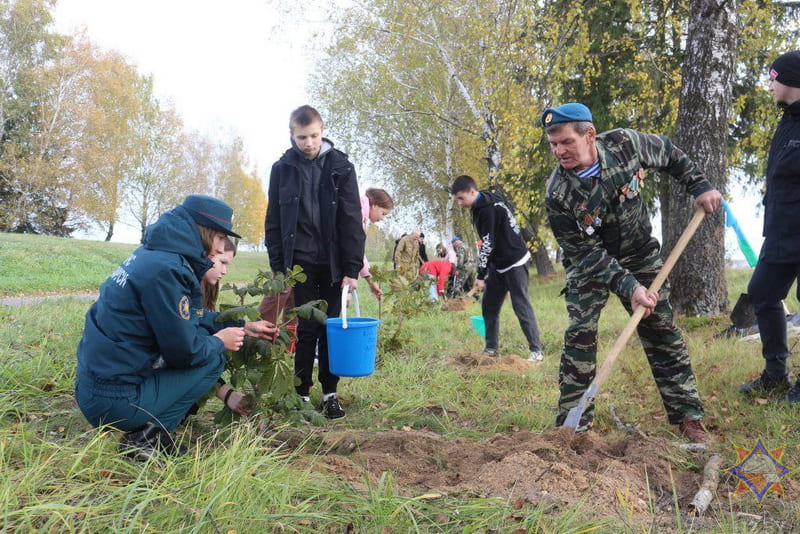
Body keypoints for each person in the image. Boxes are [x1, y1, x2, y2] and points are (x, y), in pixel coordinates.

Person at [542, 102, 722, 442]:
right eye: (553, 144)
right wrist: (629, 287)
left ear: (590, 134)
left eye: (566, 142)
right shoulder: (559, 194)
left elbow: (668, 153)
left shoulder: (626, 145)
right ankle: (572, 427)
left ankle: (689, 418)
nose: (559, 151)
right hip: (591, 264)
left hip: (640, 254)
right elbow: (583, 252)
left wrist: (699, 186)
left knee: (662, 330)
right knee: (579, 336)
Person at [75, 195, 277, 460]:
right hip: (113, 401)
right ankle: (146, 440)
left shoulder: (153, 255)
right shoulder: (169, 271)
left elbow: (183, 316)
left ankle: (146, 432)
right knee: (212, 357)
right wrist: (220, 341)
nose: (220, 248)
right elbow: (185, 352)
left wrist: (241, 324)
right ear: (208, 233)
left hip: (93, 387)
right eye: (220, 239)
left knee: (206, 341)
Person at [264, 105, 365, 420]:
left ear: (322, 133)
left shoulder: (341, 167)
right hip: (300, 264)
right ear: (291, 134)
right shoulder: (282, 169)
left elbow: (351, 221)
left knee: (331, 328)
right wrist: (279, 267)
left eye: (313, 136)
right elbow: (274, 222)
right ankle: (302, 395)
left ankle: (330, 394)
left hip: (334, 265)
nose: (308, 143)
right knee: (306, 328)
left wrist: (351, 269)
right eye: (301, 137)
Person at [739, 51, 800, 403]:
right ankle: (775, 373)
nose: (770, 84)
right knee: (762, 292)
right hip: (780, 232)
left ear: (790, 79)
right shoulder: (788, 120)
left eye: (773, 77)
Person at [450, 175, 544, 363]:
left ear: (472, 191)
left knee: (520, 305)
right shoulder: (481, 203)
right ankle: (491, 348)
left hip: (515, 261)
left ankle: (536, 351)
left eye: (461, 198)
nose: (460, 203)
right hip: (498, 263)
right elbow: (490, 243)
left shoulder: (488, 210)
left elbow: (487, 244)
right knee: (489, 306)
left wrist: (480, 275)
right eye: (457, 200)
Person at [201, 237, 252, 416]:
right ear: (207, 254)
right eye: (222, 262)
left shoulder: (208, 288)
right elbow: (192, 349)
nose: (224, 271)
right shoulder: (186, 291)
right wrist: (226, 392)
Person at [359, 187, 394, 300]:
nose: (382, 218)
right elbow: (353, 250)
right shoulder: (356, 213)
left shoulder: (361, 215)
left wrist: (370, 281)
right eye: (383, 213)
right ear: (374, 205)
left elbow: (357, 251)